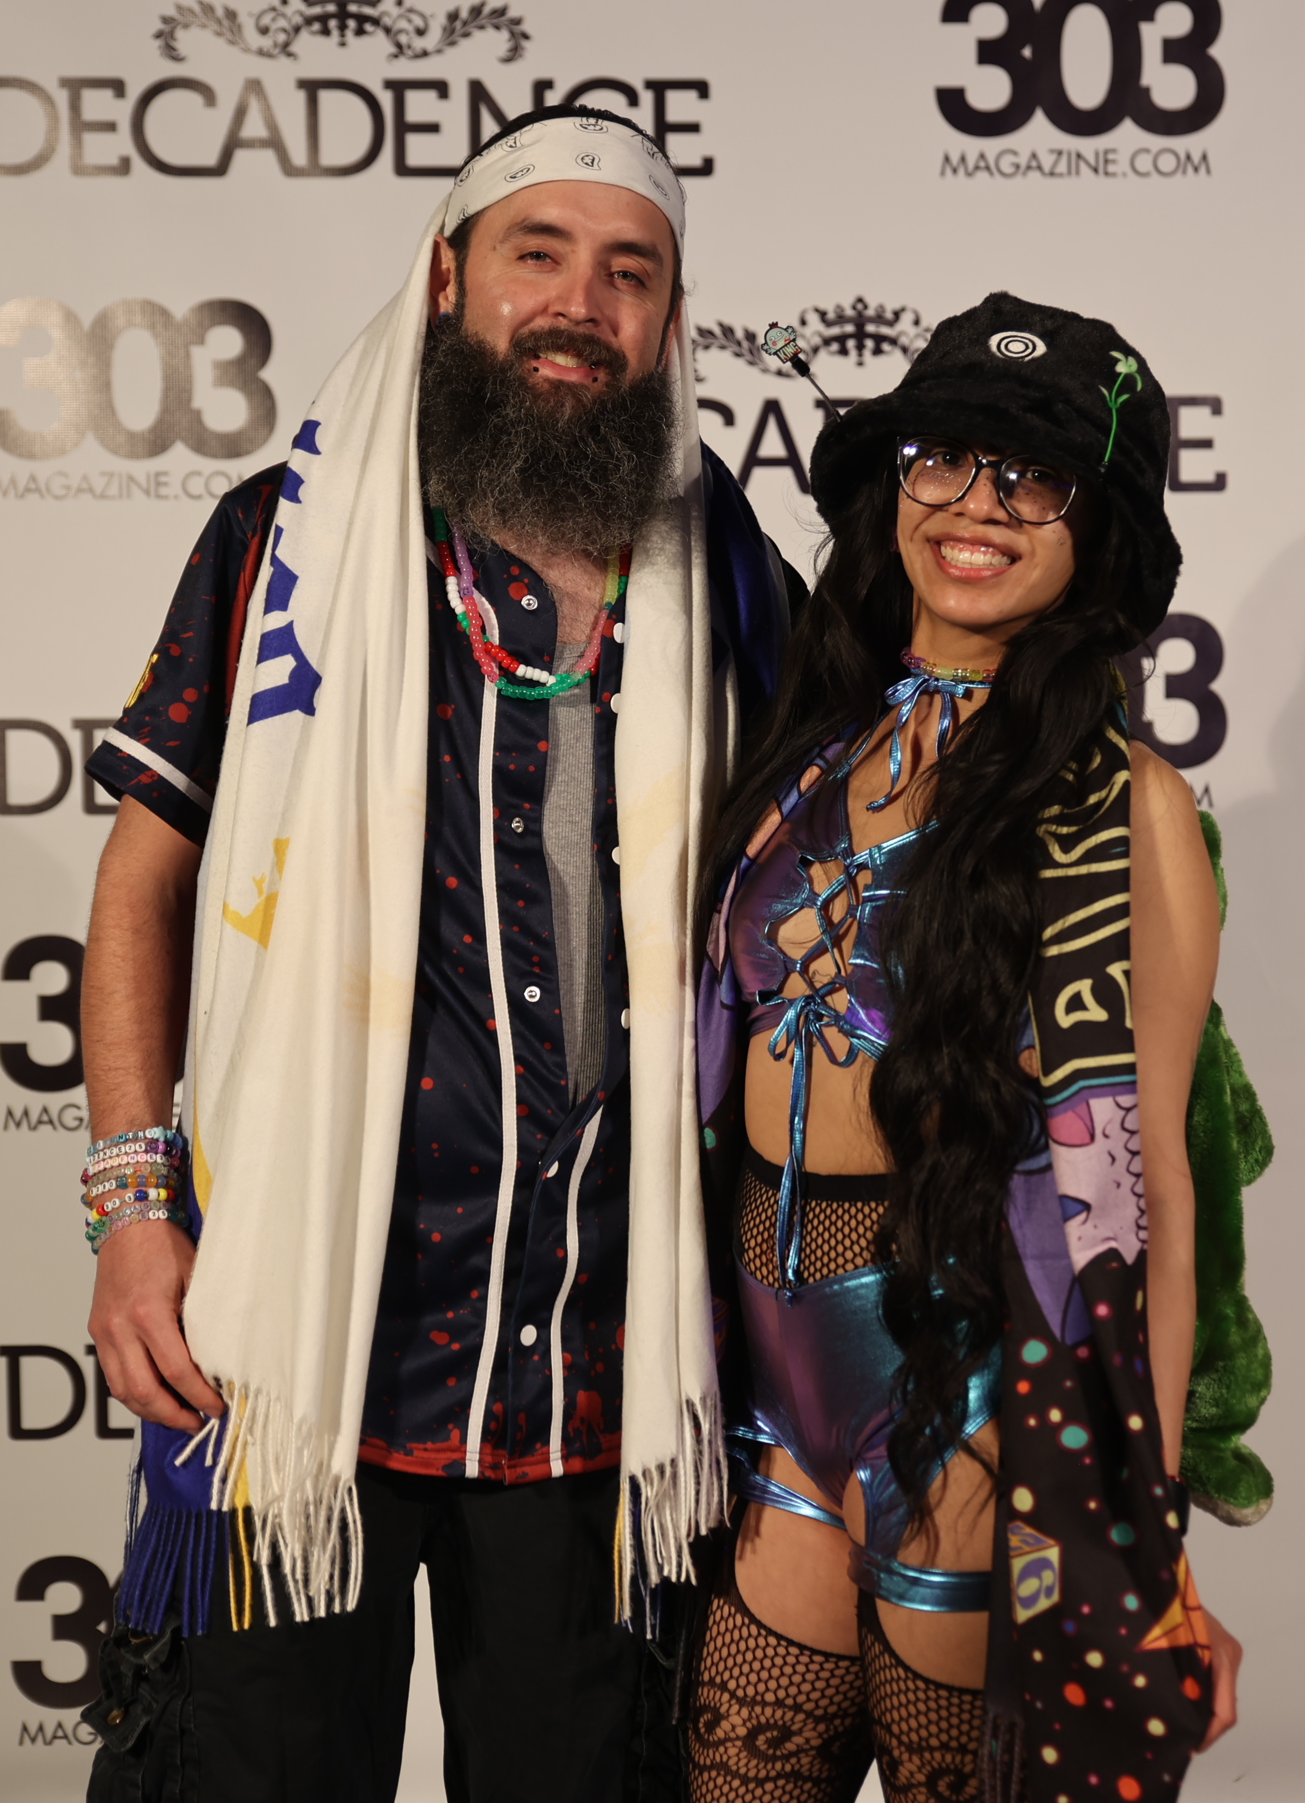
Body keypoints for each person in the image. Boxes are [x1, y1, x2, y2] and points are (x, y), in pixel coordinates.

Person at [73, 104, 798, 1803]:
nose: (581, 306)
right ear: (449, 276)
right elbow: (142, 883)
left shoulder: (729, 571)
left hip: (605, 1364)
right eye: (540, 254)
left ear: (668, 318)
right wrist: (131, 1206)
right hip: (289, 1355)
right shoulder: (287, 540)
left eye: (630, 272)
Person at [683, 294, 1251, 1803]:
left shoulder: (1126, 804)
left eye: (1036, 479)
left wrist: (1146, 1533)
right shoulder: (804, 750)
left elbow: (1153, 1189)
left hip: (972, 1407)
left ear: (1098, 533)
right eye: (945, 460)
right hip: (768, 1401)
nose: (979, 506)